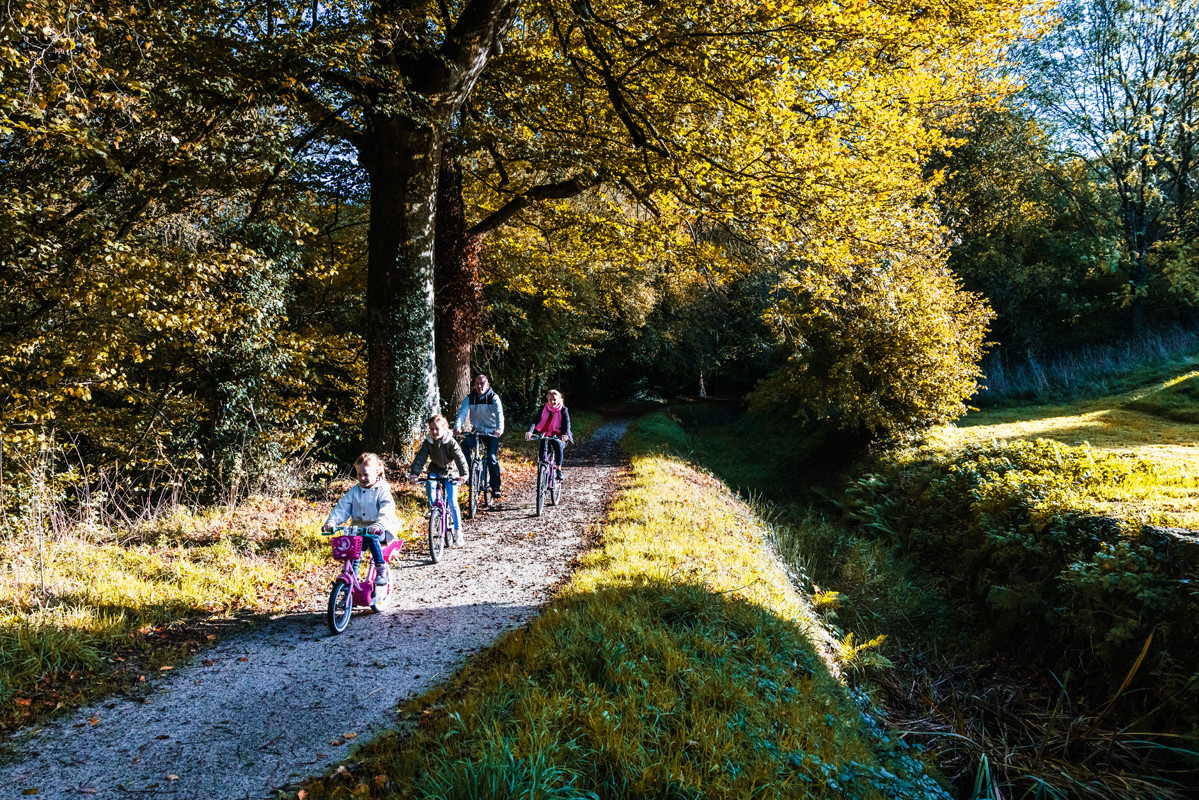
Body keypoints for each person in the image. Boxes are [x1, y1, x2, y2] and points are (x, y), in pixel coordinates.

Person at [322, 453, 401, 586]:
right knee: (352, 556)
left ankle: (381, 568)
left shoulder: (382, 491)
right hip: (358, 531)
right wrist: (332, 522)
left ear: (376, 472)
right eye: (359, 475)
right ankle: (349, 588)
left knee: (371, 537)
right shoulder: (354, 491)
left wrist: (379, 524)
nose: (362, 478)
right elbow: (342, 507)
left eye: (366, 474)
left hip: (380, 530)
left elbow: (387, 510)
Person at [409, 414, 470, 546]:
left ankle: (458, 531)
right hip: (435, 470)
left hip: (450, 472)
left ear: (444, 429)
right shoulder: (428, 442)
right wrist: (414, 474)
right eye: (431, 429)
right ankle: (434, 509)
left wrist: (464, 474)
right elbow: (420, 458)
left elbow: (459, 458)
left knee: (453, 501)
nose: (434, 432)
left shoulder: (450, 442)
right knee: (430, 485)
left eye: (437, 429)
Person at [454, 373, 505, 503]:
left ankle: (495, 487)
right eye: (477, 384)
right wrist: (457, 427)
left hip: (492, 432)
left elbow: (500, 414)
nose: (479, 386)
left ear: (487, 384)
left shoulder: (493, 397)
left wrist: (499, 429)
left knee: (491, 457)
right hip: (477, 431)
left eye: (482, 384)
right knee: (465, 444)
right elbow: (462, 413)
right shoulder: (470, 398)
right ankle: (471, 471)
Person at [525, 389, 572, 478]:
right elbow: (536, 421)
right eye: (550, 399)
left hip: (560, 436)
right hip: (547, 434)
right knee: (542, 453)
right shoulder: (544, 409)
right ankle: (543, 471)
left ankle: (558, 469)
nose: (552, 402)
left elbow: (567, 423)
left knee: (557, 445)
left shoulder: (563, 410)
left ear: (559, 400)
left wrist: (565, 434)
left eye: (554, 399)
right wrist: (530, 431)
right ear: (547, 400)